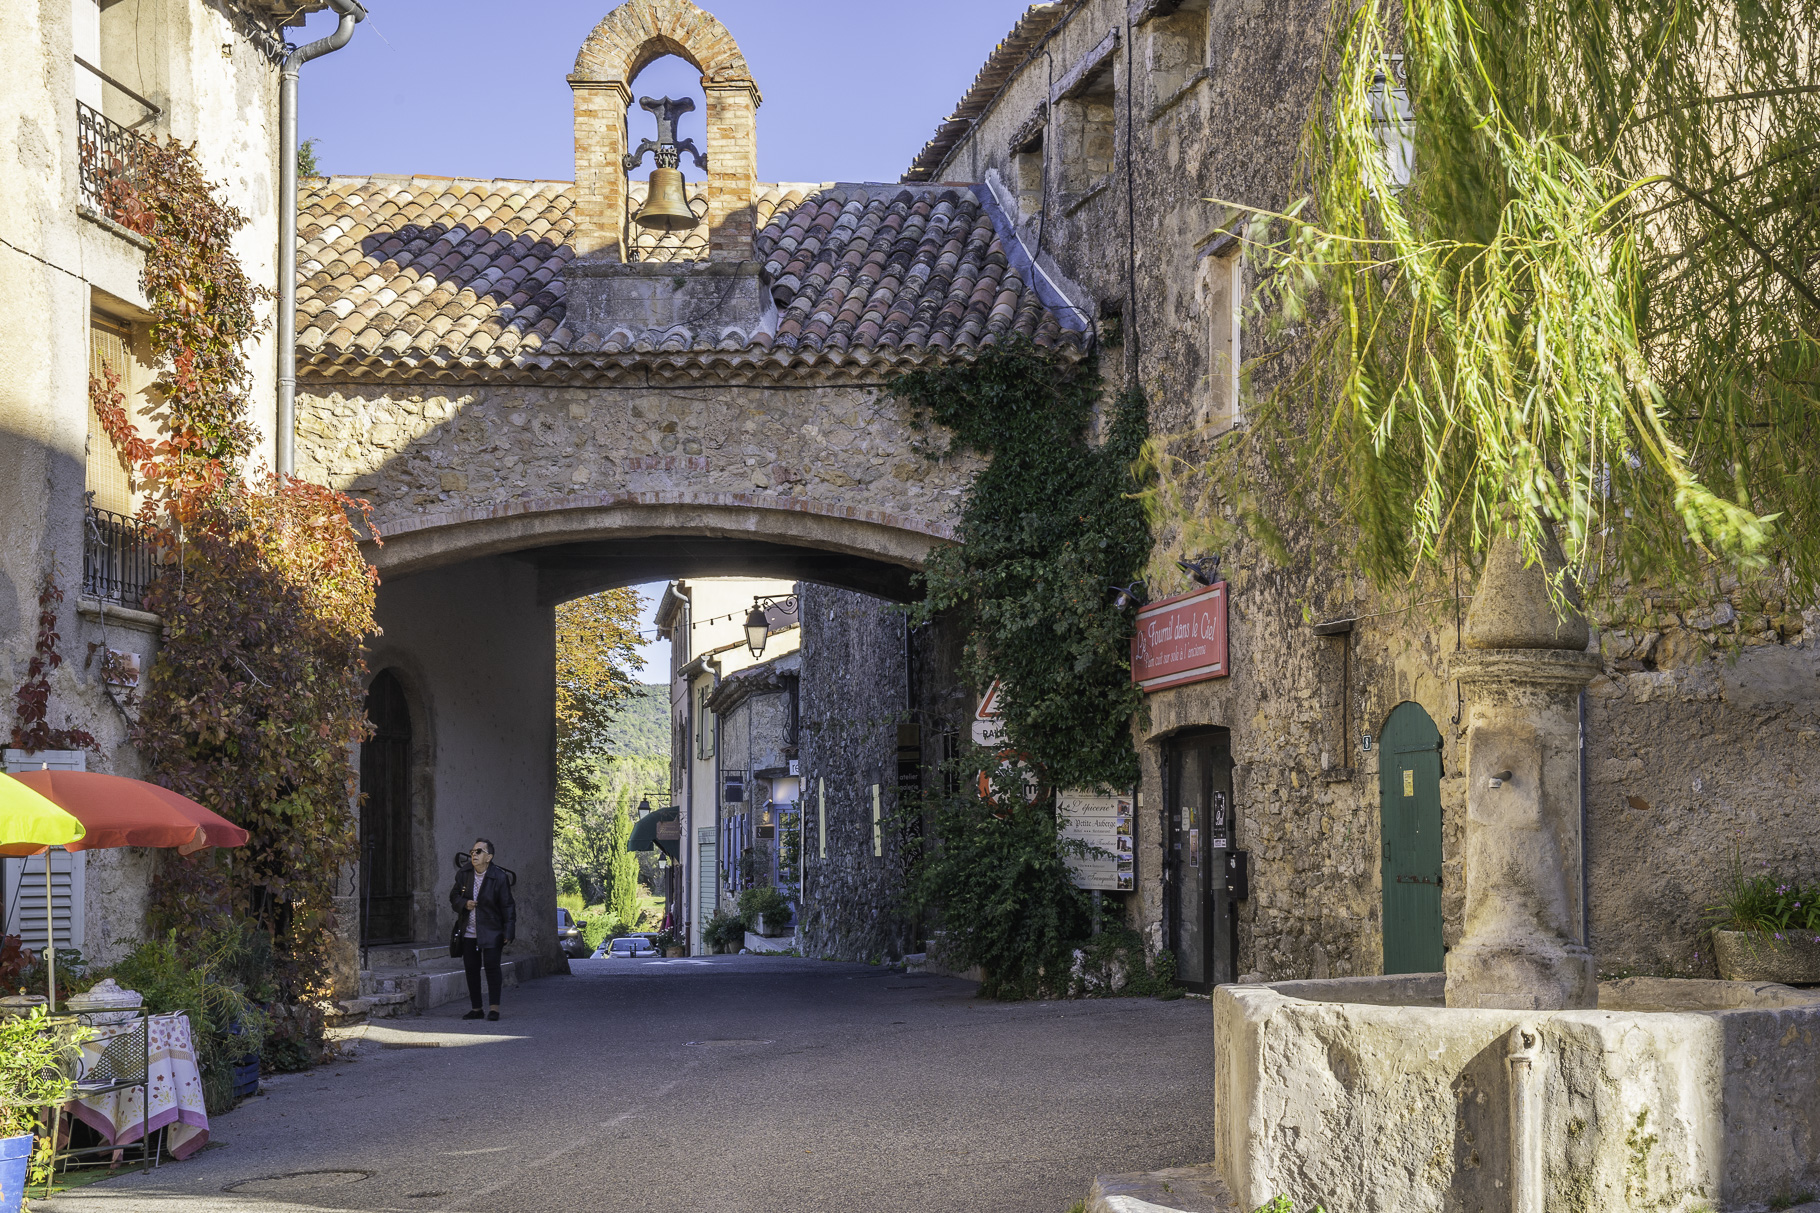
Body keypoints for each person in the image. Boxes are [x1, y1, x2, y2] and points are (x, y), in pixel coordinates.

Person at [450, 837, 515, 1020]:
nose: (474, 855)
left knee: (492, 968)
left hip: (492, 930)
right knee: (471, 968)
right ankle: (476, 1008)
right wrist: (464, 903)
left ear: (489, 857)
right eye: (472, 852)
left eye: (479, 852)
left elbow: (508, 905)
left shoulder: (499, 877)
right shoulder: (464, 873)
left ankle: (494, 1008)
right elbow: (453, 896)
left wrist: (508, 931)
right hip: (469, 931)